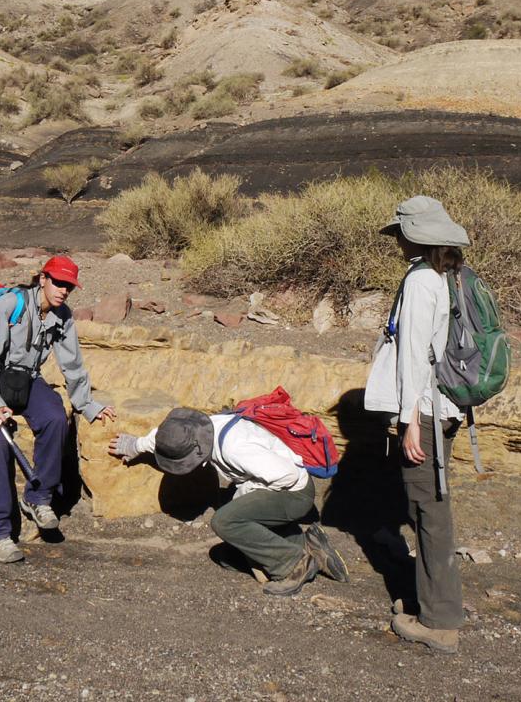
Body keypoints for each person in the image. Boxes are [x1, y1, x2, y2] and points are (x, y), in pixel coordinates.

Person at [364, 195, 471, 654]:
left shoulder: (421, 282)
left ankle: (440, 621)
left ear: (414, 236)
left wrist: (409, 421)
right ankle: (432, 601)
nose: (397, 240)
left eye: (401, 232)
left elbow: (413, 357)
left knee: (430, 512)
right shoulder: (447, 277)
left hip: (424, 410)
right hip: (442, 407)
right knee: (431, 506)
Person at [0, 254, 115, 563]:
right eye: (58, 282)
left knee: (56, 417)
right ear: (43, 279)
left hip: (24, 380)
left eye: (69, 286)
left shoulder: (63, 316)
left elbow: (73, 365)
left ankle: (38, 497)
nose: (63, 290)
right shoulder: (11, 305)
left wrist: (87, 405)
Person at [108, 407, 348, 596]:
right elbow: (166, 438)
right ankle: (306, 544)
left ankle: (294, 564)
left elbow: (287, 475)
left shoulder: (236, 448)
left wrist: (245, 495)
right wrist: (135, 445)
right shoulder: (202, 428)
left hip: (294, 492)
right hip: (280, 486)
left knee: (225, 521)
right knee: (227, 557)